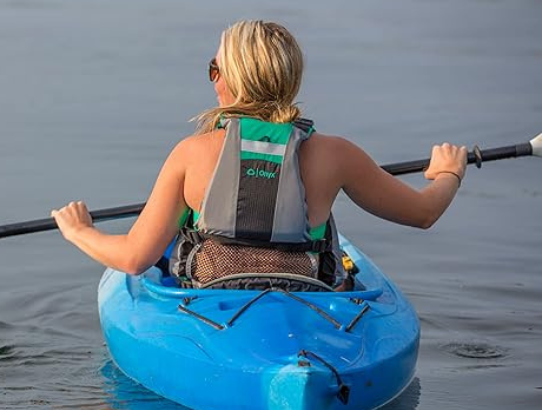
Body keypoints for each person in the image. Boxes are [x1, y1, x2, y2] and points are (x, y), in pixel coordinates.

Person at [51, 20, 468, 290]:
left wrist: (79, 232)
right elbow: (423, 213)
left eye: (215, 69)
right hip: (307, 297)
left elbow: (134, 258)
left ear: (231, 81)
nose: (213, 80)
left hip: (214, 304)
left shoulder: (192, 154)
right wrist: (449, 172)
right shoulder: (337, 156)